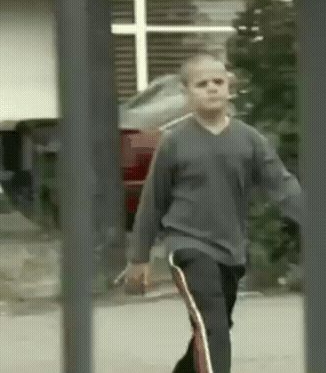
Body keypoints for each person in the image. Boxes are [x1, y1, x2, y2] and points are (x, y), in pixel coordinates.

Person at [125, 52, 302, 373]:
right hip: (188, 246)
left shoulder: (250, 140)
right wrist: (139, 257)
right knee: (214, 328)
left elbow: (284, 187)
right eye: (202, 84)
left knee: (212, 329)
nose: (211, 89)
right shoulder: (174, 142)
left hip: (230, 252)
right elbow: (153, 200)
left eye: (218, 82)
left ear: (229, 87)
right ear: (187, 93)